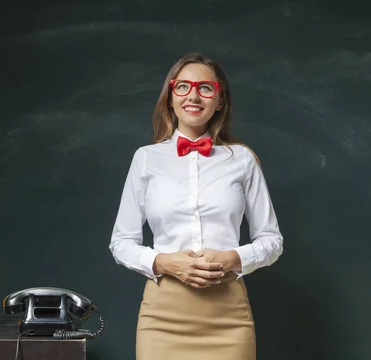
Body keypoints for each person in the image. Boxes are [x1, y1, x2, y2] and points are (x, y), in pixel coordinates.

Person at [108, 53, 284, 360]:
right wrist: (163, 263)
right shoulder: (145, 158)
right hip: (162, 317)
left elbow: (272, 241)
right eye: (183, 87)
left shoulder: (242, 159)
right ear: (170, 98)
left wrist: (233, 258)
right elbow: (121, 242)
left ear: (219, 101)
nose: (193, 95)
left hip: (228, 314)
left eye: (205, 88)